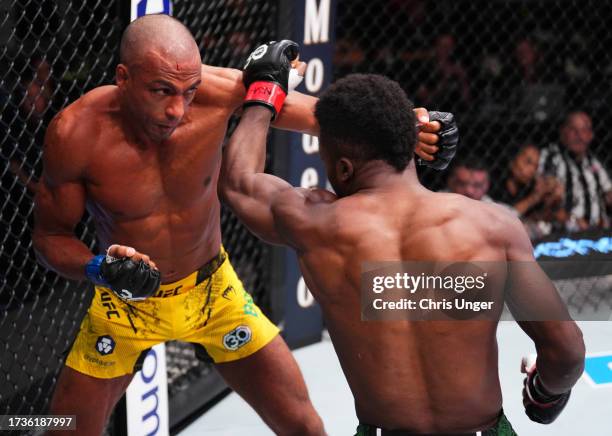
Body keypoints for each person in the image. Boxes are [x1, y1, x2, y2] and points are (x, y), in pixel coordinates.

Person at [32, 15, 454, 435]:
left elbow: (325, 117)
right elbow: (50, 238)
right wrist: (98, 268)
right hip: (125, 302)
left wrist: (406, 127)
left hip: (214, 291)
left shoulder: (217, 91)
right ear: (123, 78)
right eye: (161, 91)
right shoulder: (75, 133)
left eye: (189, 91)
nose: (177, 109)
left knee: (304, 425)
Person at [219, 41, 585, 435]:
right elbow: (566, 352)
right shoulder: (494, 226)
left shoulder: (315, 225)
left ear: (343, 168)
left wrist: (264, 91)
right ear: (410, 149)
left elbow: (240, 184)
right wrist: (543, 395)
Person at [539, 111, 612, 231]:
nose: (579, 135)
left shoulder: (594, 162)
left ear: (591, 135)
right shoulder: (552, 157)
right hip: (564, 231)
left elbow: (609, 192)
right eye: (573, 129)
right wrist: (572, 220)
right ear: (563, 132)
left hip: (599, 230)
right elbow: (548, 199)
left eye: (584, 130)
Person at [490, 143, 567, 239]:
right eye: (528, 162)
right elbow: (506, 218)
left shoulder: (530, 187)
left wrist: (553, 201)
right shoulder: (493, 185)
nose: (532, 170)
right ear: (512, 161)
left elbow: (542, 218)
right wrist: (535, 197)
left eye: (536, 166)